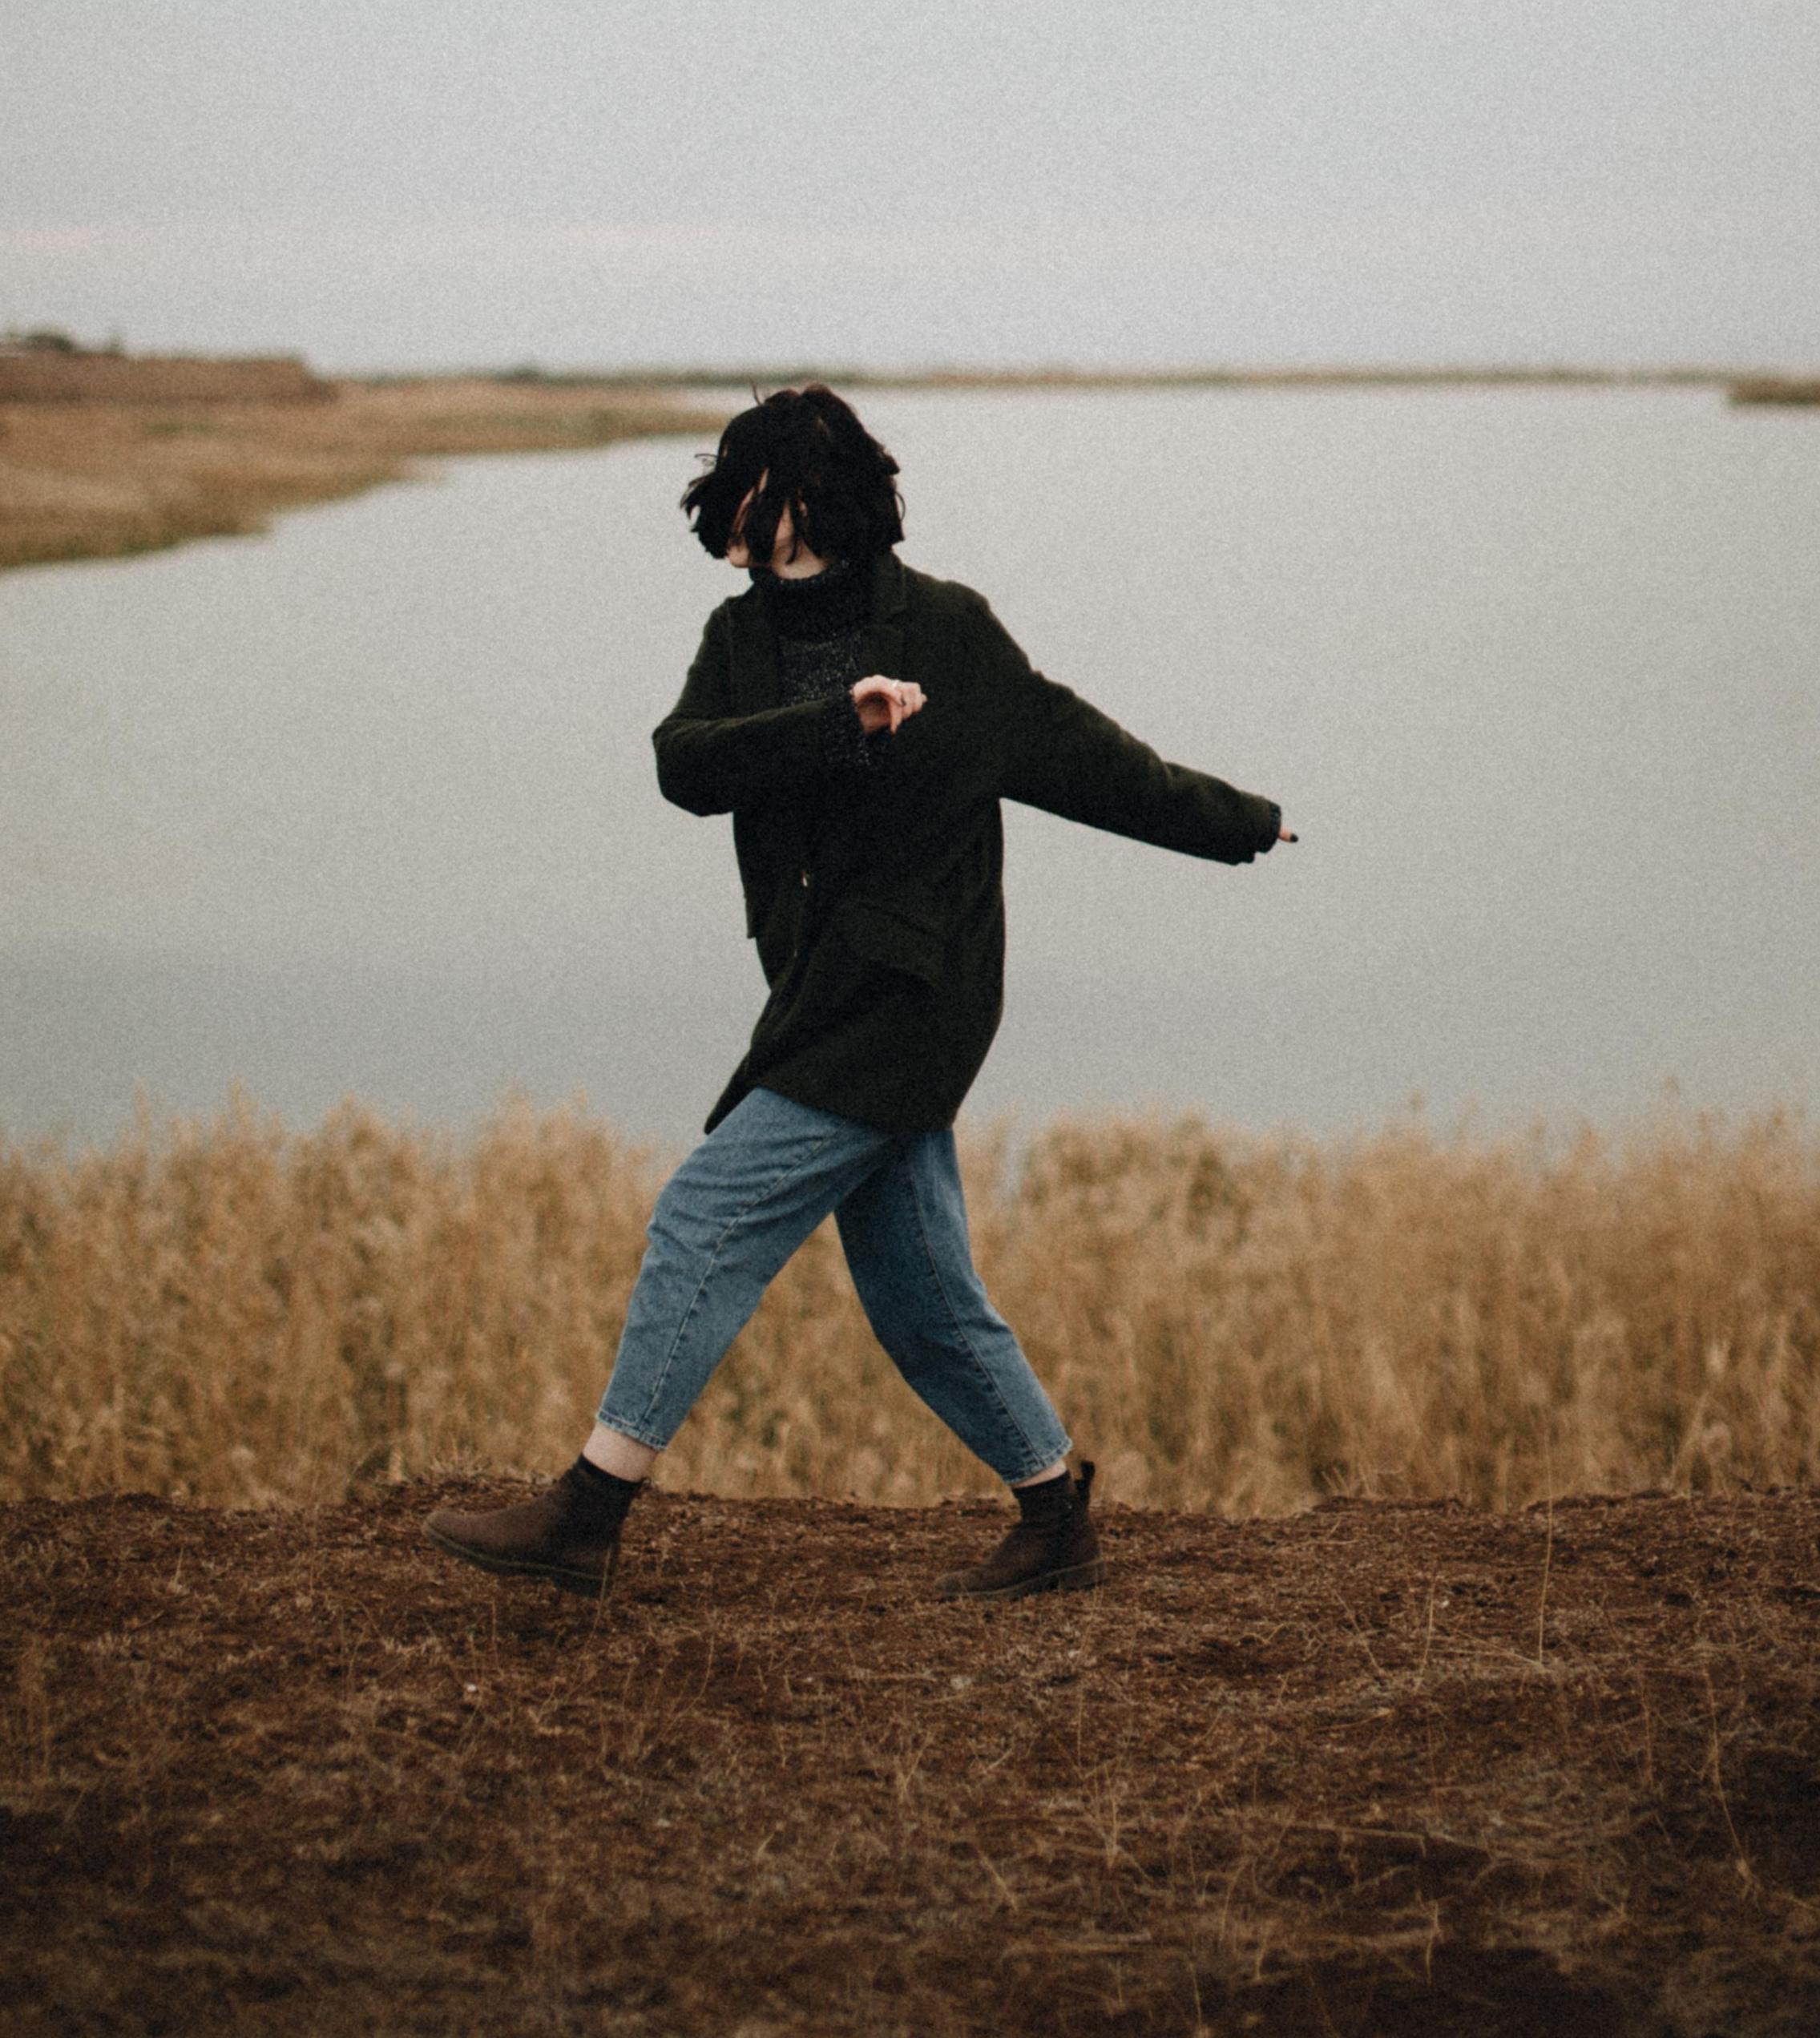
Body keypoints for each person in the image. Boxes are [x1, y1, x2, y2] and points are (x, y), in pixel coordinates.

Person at [425, 385, 1291, 1604]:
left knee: (702, 1215)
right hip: (815, 989)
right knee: (920, 1293)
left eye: (747, 489)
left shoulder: (946, 632)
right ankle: (1054, 1517)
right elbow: (688, 767)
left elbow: (1086, 759)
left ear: (805, 499)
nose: (725, 512)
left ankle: (589, 1510)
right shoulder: (743, 639)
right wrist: (837, 724)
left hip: (914, 995)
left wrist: (1243, 826)